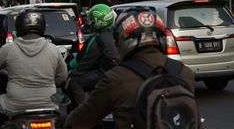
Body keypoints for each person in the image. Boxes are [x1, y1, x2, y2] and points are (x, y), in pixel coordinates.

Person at [65, 8, 195, 128]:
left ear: (123, 39)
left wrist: (62, 121)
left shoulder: (115, 79)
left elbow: (81, 119)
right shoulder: (185, 73)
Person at [0, 9, 68, 129]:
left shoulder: (8, 49)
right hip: (49, 104)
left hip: (15, 105)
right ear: (42, 27)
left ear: (18, 27)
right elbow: (62, 76)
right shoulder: (54, 49)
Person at [68, 4, 120, 104]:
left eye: (91, 19)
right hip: (116, 71)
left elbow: (85, 63)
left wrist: (73, 73)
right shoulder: (114, 32)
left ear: (98, 21)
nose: (89, 21)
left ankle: (83, 114)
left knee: (75, 81)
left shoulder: (99, 39)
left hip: (106, 72)